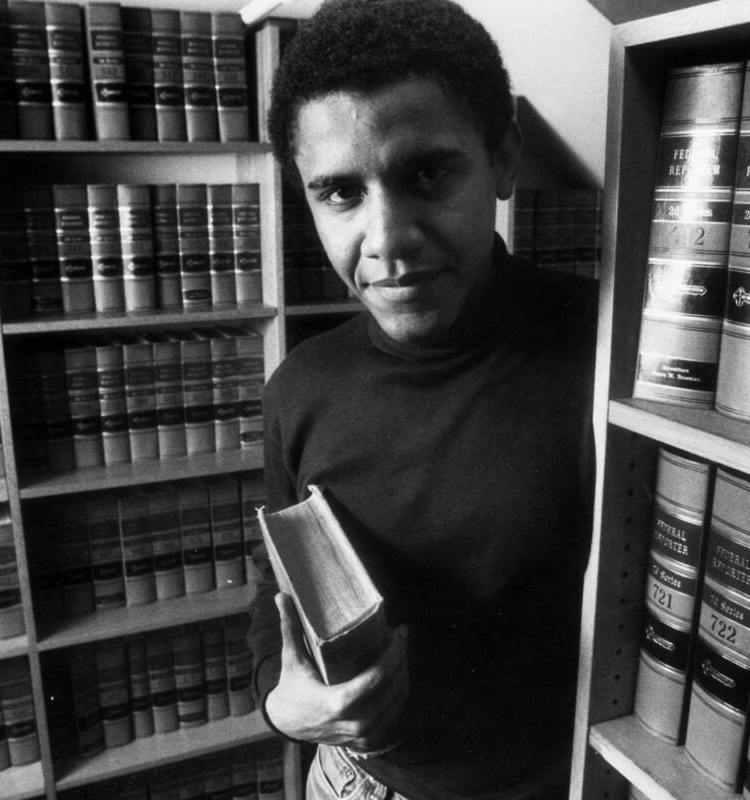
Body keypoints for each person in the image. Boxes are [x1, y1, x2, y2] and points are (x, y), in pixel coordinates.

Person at [248, 1, 598, 798]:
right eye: (339, 193)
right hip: (352, 784)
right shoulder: (299, 387)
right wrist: (285, 704)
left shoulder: (607, 359)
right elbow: (274, 592)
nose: (388, 238)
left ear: (503, 157)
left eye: (428, 173)